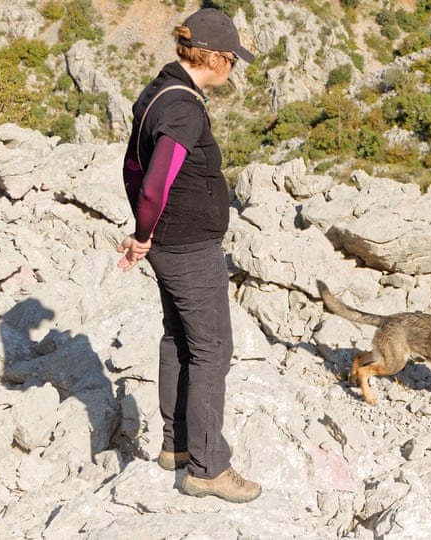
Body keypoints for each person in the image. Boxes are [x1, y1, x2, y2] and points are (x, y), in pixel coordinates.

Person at [116, 8, 260, 503]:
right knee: (212, 349)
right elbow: (156, 182)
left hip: (171, 244)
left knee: (179, 339)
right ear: (217, 58)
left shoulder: (161, 89)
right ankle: (207, 467)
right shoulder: (183, 108)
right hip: (187, 246)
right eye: (233, 60)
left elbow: (137, 168)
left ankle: (176, 446)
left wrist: (146, 235)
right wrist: (143, 234)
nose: (233, 69)